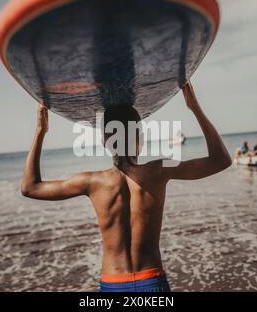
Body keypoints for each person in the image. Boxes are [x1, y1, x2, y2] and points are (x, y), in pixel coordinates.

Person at [21, 80, 231, 292]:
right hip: (152, 280)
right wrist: (195, 108)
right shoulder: (159, 170)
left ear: (105, 140)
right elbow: (221, 160)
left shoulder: (92, 182)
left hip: (114, 284)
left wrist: (40, 132)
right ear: (139, 137)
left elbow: (30, 187)